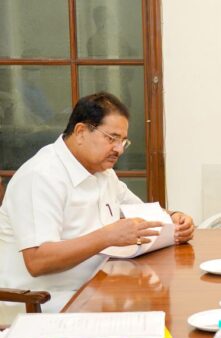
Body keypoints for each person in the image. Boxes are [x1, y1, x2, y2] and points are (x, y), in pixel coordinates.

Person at [0, 92, 195, 313]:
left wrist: (173, 218)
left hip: (97, 286)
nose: (119, 149)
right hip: (42, 302)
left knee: (166, 306)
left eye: (123, 141)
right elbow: (38, 261)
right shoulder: (40, 176)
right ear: (81, 132)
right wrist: (107, 237)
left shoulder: (103, 172)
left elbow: (140, 213)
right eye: (111, 138)